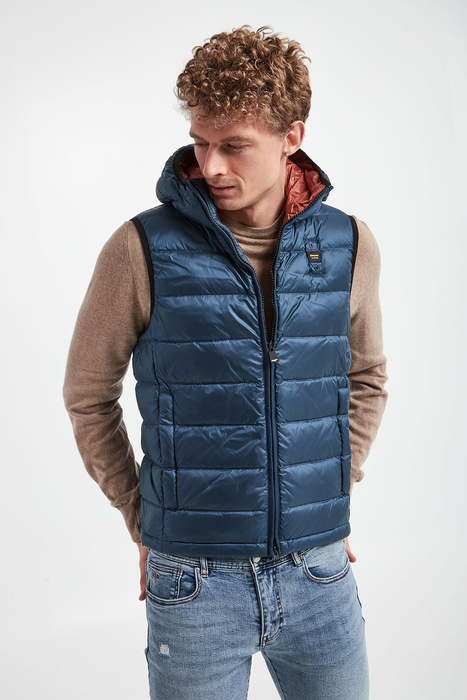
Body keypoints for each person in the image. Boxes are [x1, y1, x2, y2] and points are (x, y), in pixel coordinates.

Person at [64, 25, 388, 700]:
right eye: (200, 142)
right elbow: (88, 394)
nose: (210, 165)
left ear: (291, 136)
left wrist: (329, 486)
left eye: (233, 145)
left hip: (320, 572)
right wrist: (143, 517)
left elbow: (365, 377)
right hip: (193, 582)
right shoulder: (140, 248)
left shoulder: (349, 243)